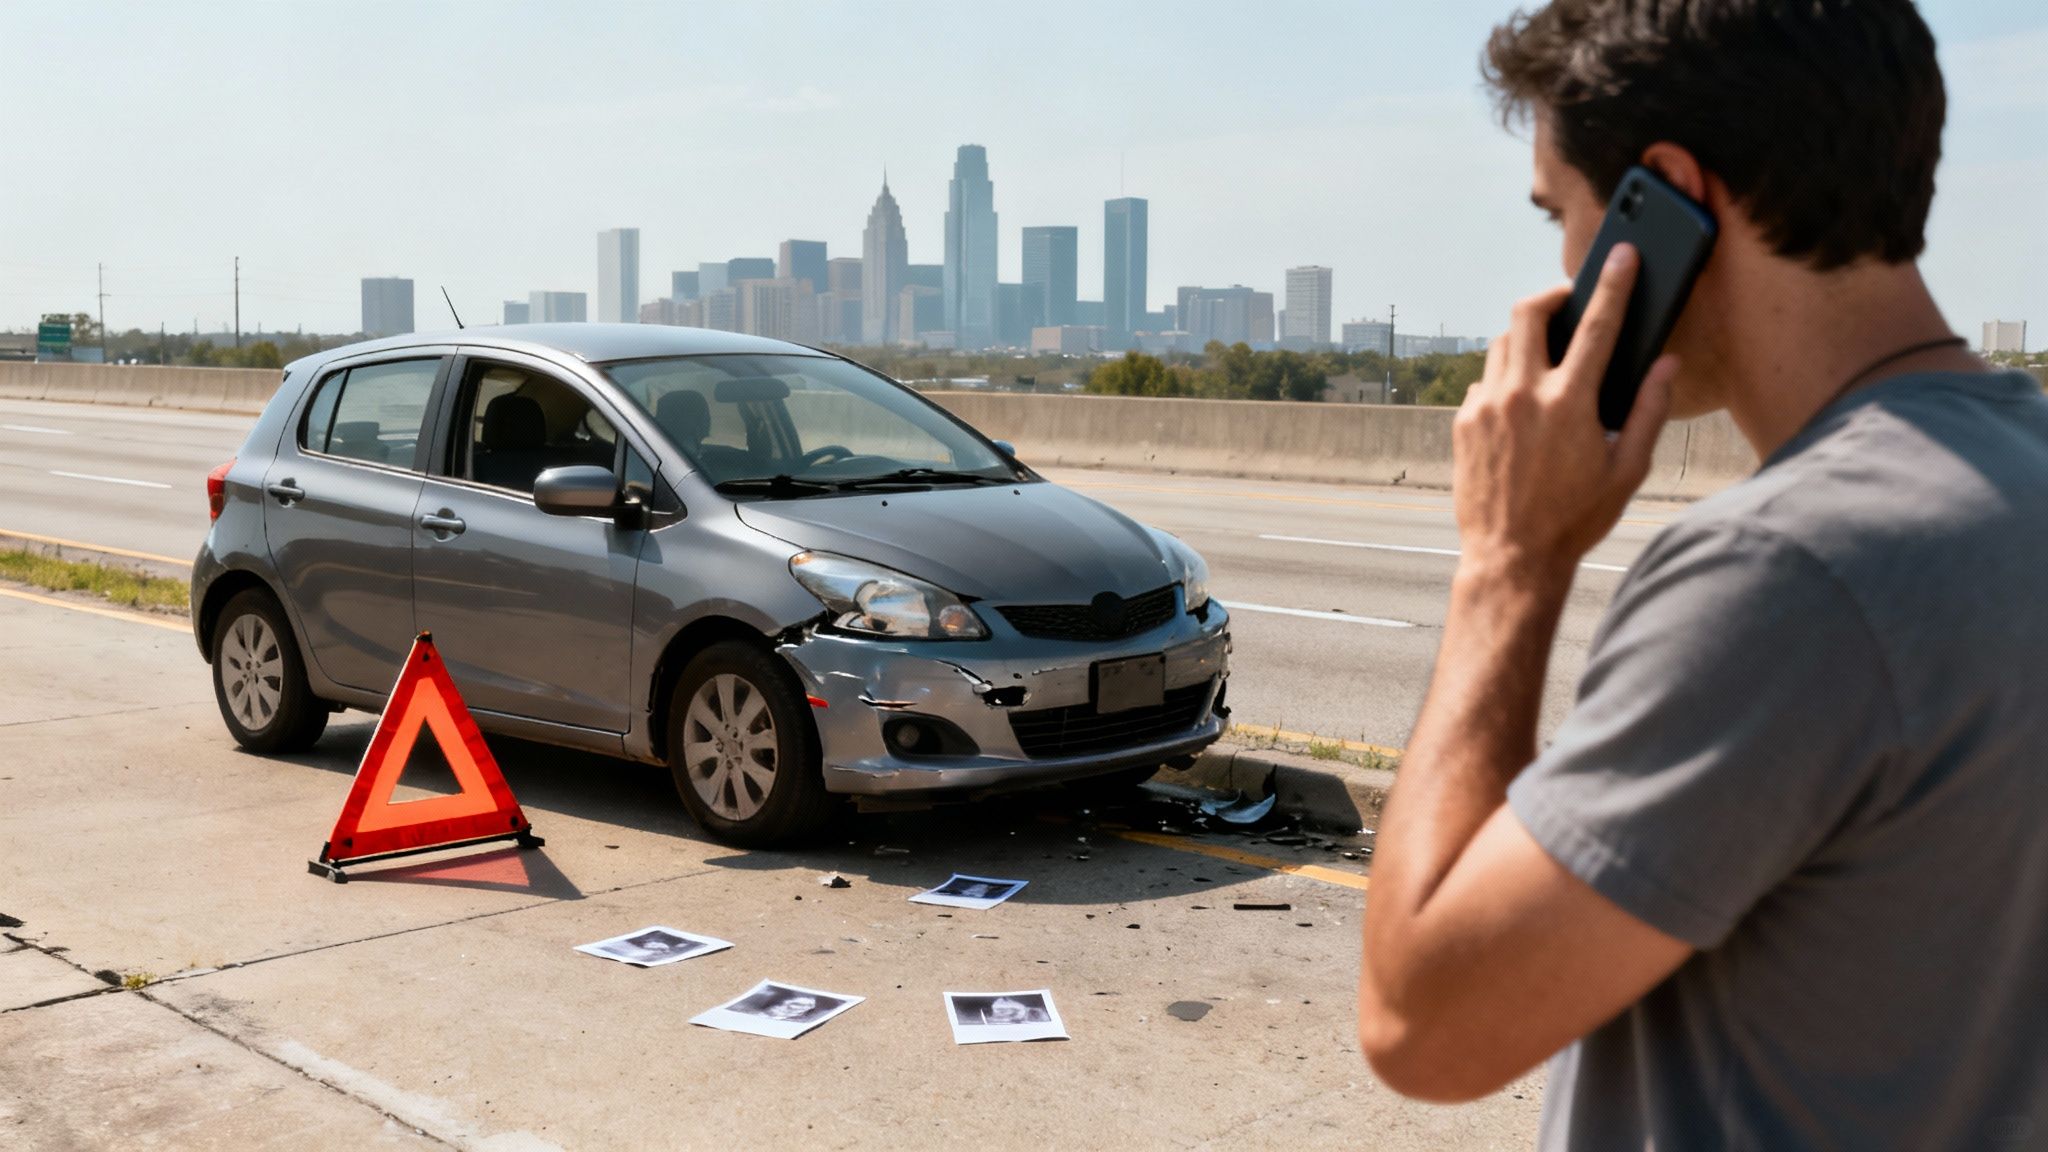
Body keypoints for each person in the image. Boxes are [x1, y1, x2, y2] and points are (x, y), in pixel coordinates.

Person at [1355, 2, 2047, 1148]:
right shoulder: (2016, 473)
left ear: (1664, 200)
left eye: (1559, 218)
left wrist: (1507, 561)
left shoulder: (1790, 569)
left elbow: (1421, 1021)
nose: (1563, 274)